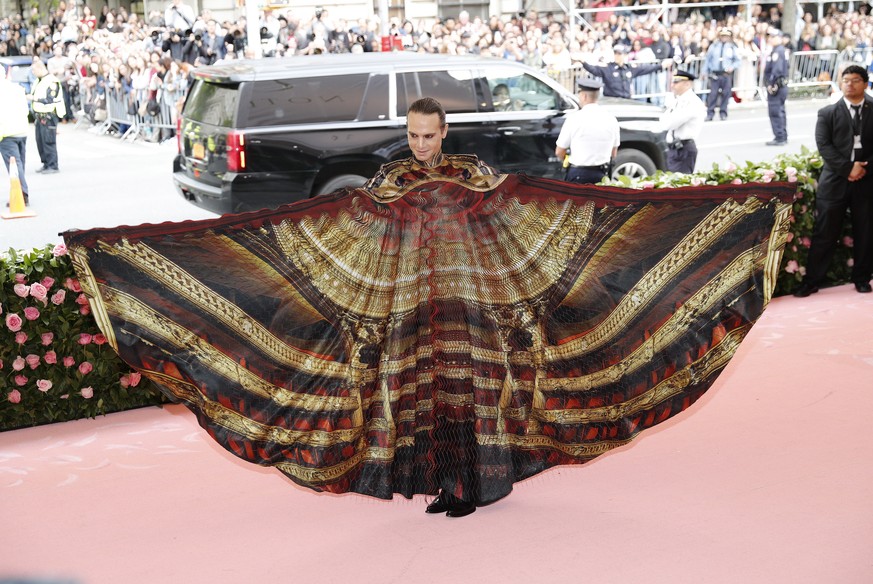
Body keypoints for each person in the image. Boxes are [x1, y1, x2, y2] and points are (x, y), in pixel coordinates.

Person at [63, 98, 793, 522]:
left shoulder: (476, 177)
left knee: (473, 398)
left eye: (429, 134)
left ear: (444, 132)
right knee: (423, 401)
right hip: (408, 311)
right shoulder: (386, 183)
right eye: (412, 135)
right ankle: (442, 487)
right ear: (407, 135)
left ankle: (469, 490)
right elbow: (330, 222)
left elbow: (540, 205)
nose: (420, 143)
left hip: (474, 308)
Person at [794, 65, 873, 297]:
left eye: (855, 80)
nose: (849, 84)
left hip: (867, 180)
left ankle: (861, 278)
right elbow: (824, 147)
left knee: (866, 231)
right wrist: (849, 168)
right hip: (835, 181)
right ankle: (812, 281)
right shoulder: (827, 113)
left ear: (865, 83)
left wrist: (862, 168)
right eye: (845, 80)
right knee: (825, 232)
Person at [555, 77, 620, 184]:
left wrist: (566, 159)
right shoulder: (611, 119)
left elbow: (559, 151)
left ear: (584, 96)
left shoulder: (574, 118)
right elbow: (614, 153)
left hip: (578, 175)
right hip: (602, 176)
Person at [581, 44, 671, 99]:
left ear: (624, 55)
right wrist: (583, 62)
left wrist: (661, 66)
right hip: (611, 100)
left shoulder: (629, 68)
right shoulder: (607, 68)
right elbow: (594, 70)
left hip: (626, 99)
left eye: (619, 54)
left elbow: (646, 69)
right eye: (615, 53)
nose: (617, 56)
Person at [660, 70, 706, 173]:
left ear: (687, 84)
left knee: (680, 185)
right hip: (675, 148)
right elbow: (663, 122)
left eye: (676, 82)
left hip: (683, 149)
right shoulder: (679, 100)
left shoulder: (692, 102)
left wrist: (668, 116)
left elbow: (669, 123)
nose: (672, 85)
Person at [28, 58, 66, 174]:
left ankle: (53, 165)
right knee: (40, 141)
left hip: (49, 115)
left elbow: (50, 99)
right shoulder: (38, 80)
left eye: (34, 70)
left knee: (49, 141)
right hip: (39, 116)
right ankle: (45, 163)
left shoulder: (52, 81)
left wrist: (34, 98)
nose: (33, 73)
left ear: (40, 68)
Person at [0, 74, 31, 206]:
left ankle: (22, 194)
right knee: (19, 164)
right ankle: (21, 192)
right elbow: (26, 110)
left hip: (7, 132)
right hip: (21, 130)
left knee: (14, 165)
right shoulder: (17, 88)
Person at [702, 28, 742, 121]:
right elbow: (708, 60)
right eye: (722, 36)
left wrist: (732, 67)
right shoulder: (714, 46)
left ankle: (723, 113)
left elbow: (738, 61)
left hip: (726, 74)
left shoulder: (732, 47)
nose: (724, 38)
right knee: (713, 94)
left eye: (726, 36)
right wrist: (705, 71)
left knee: (726, 94)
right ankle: (710, 113)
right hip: (715, 73)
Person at [764, 29, 789, 146]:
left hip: (777, 86)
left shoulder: (778, 51)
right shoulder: (777, 50)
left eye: (773, 37)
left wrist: (772, 84)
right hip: (780, 85)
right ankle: (782, 135)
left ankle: (780, 136)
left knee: (775, 111)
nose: (770, 39)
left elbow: (777, 70)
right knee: (779, 111)